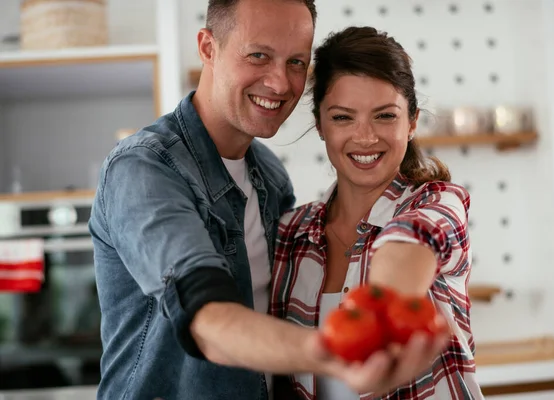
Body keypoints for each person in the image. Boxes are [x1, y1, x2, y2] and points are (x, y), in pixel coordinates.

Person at [88, 1, 450, 399]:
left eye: (296, 62)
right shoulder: (143, 168)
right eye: (259, 55)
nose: (279, 83)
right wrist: (330, 351)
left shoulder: (270, 176)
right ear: (208, 48)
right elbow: (207, 318)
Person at [270, 26, 485, 399]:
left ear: (412, 121)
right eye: (342, 118)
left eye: (385, 116)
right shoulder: (289, 233)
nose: (365, 136)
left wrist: (381, 323)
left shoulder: (438, 202)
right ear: (320, 124)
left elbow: (410, 242)